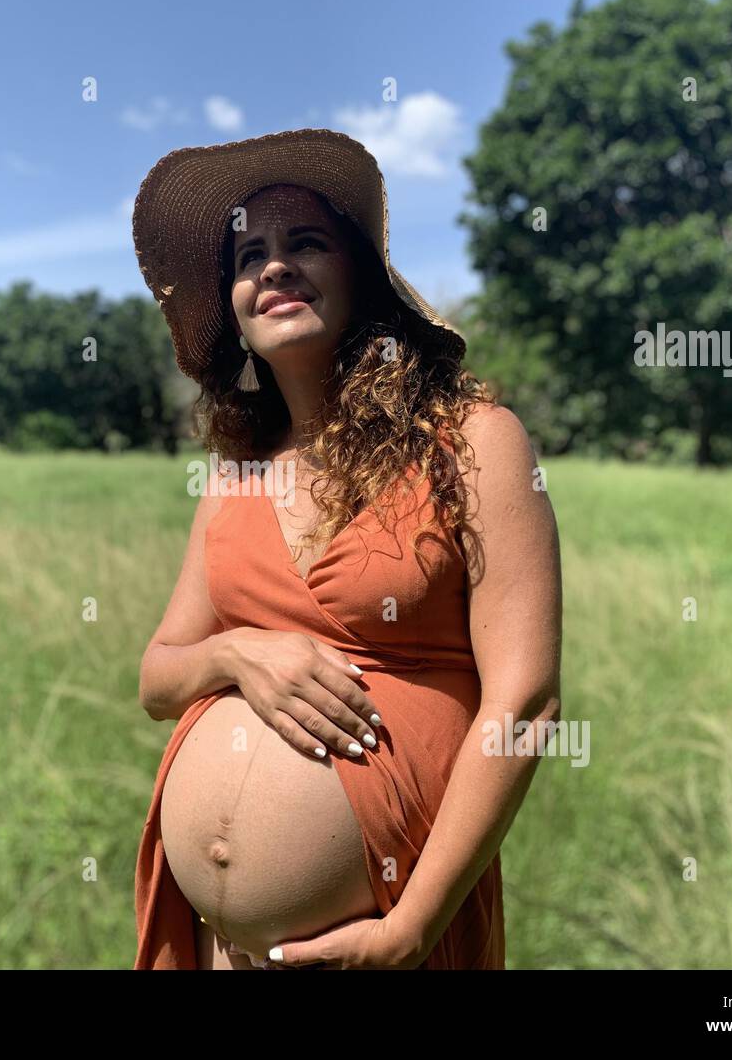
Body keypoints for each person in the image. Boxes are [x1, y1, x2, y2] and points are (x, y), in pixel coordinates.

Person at [131, 129, 562, 969]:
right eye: (250, 253)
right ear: (236, 306)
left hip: (391, 932)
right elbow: (156, 678)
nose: (275, 267)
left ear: (361, 274)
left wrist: (411, 929)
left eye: (306, 243)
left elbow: (527, 703)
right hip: (226, 950)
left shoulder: (475, 443)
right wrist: (238, 652)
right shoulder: (238, 474)